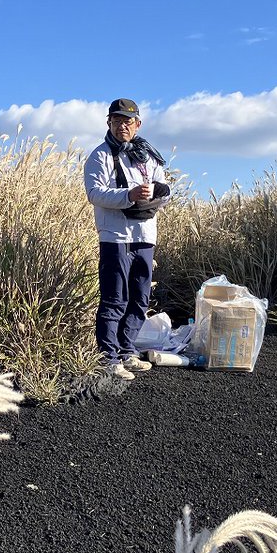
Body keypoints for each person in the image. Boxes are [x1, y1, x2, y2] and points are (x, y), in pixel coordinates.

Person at [84, 98, 171, 380]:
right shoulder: (100, 156)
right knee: (114, 298)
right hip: (115, 237)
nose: (123, 125)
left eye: (128, 121)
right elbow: (94, 193)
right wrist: (128, 196)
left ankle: (126, 351)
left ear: (138, 124)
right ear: (108, 122)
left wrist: (156, 192)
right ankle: (108, 358)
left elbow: (166, 192)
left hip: (145, 235)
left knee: (140, 297)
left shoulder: (149, 155)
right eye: (117, 120)